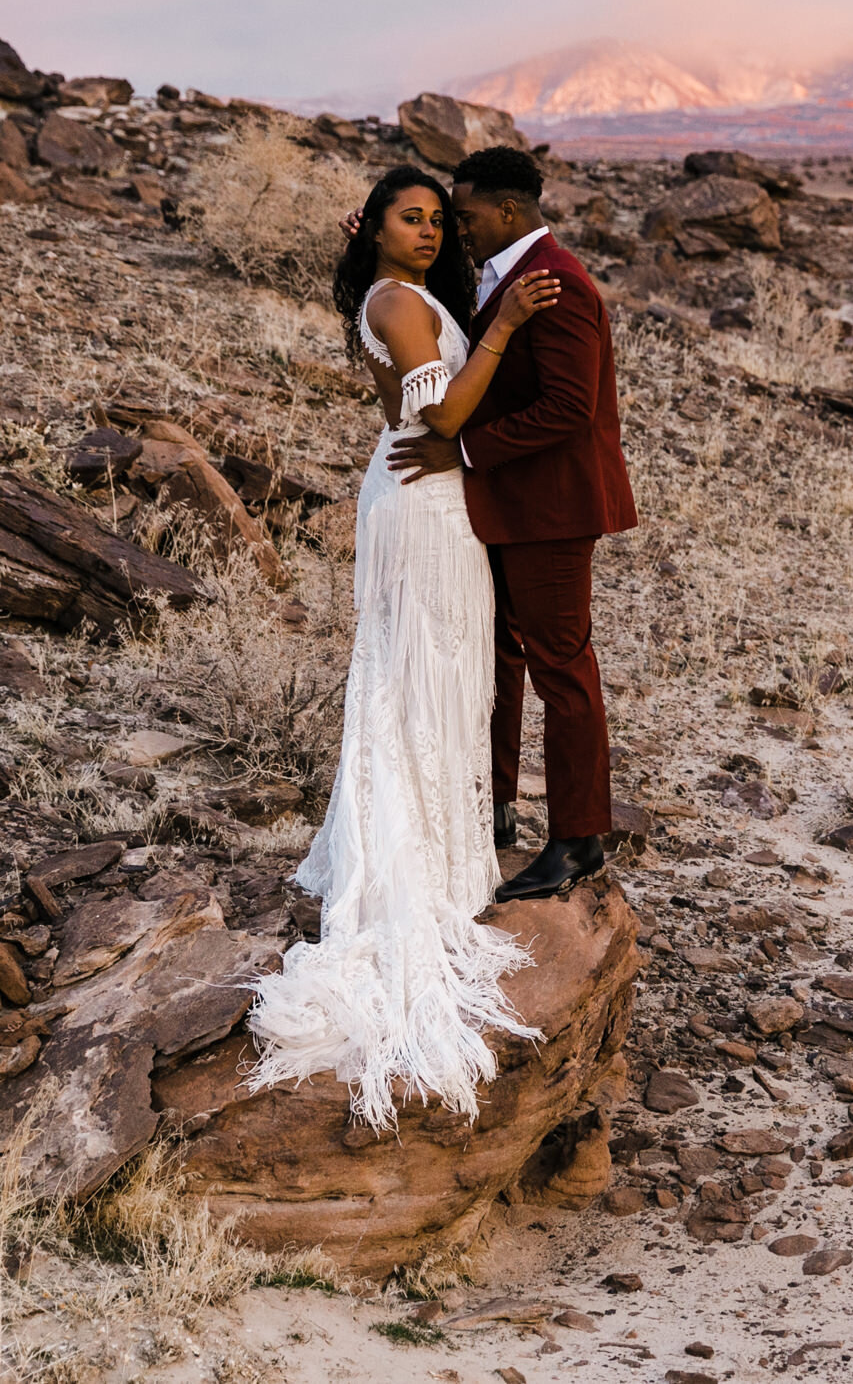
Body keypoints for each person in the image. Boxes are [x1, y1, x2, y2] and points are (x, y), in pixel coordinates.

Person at [245, 165, 562, 1129]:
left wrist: (392, 247)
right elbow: (443, 417)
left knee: (431, 677)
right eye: (410, 218)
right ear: (378, 230)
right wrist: (505, 330)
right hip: (423, 506)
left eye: (437, 219)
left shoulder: (407, 289)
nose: (429, 231)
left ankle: (440, 849)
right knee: (426, 675)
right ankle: (416, 865)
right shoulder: (398, 302)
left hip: (424, 500)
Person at [383, 145, 640, 903]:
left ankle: (578, 838)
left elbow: (568, 407)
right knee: (500, 657)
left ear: (506, 210)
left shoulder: (557, 279)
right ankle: (494, 807)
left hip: (553, 510)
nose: (456, 230)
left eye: (462, 216)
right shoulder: (507, 274)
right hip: (508, 505)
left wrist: (459, 450)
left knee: (564, 666)